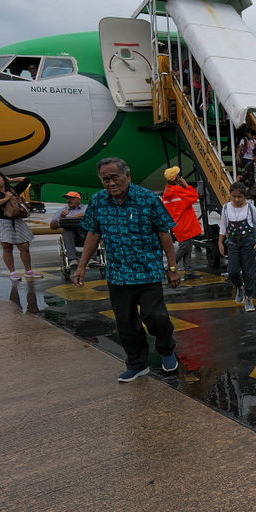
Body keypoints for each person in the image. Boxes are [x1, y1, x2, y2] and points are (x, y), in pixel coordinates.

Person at [75, 157, 180, 383]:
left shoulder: (148, 199)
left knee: (156, 317)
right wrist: (81, 265)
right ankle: (137, 364)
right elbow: (93, 234)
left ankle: (167, 349)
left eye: (115, 177)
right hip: (118, 274)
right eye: (106, 179)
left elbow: (165, 233)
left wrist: (172, 267)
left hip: (148, 270)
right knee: (125, 322)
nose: (111, 183)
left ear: (128, 176)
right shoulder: (98, 201)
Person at [0, 171, 41, 280]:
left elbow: (26, 180)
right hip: (0, 221)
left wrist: (11, 180)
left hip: (17, 220)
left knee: (24, 246)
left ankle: (28, 270)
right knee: (7, 247)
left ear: (3, 179)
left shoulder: (12, 190)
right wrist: (5, 199)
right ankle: (12, 272)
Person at [218, 182, 256, 312]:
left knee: (249, 271)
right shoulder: (225, 208)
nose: (236, 199)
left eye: (239, 197)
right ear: (230, 195)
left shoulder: (250, 208)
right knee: (232, 271)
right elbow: (223, 226)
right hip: (232, 242)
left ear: (245, 197)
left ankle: (249, 297)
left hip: (248, 242)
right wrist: (220, 242)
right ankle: (239, 286)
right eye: (234, 196)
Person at [160, 166, 203, 278]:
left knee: (187, 247)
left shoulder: (167, 191)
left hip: (178, 224)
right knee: (184, 248)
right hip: (186, 224)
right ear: (176, 179)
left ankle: (188, 271)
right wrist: (187, 185)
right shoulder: (178, 190)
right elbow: (194, 196)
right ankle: (170, 266)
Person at [49, 190, 88, 261]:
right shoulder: (62, 211)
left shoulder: (87, 208)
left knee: (93, 230)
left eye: (71, 198)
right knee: (67, 231)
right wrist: (60, 218)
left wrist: (73, 217)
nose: (68, 200)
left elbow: (90, 214)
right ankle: (72, 259)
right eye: (67, 198)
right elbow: (52, 226)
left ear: (79, 200)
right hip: (72, 238)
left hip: (87, 235)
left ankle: (92, 258)